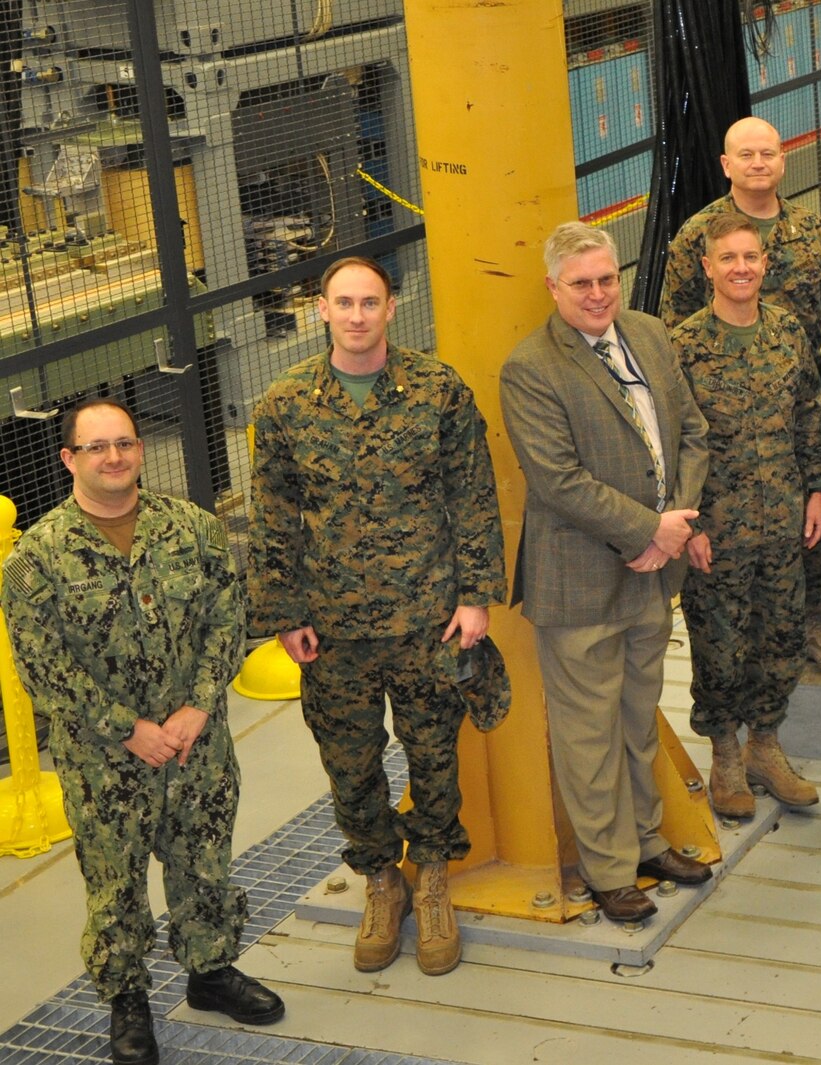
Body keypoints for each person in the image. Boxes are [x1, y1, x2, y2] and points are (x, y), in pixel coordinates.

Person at [6, 398, 284, 1065]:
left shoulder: (190, 527)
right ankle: (127, 996)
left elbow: (227, 614)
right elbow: (43, 667)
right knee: (115, 879)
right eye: (97, 447)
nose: (114, 457)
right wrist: (127, 729)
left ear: (138, 449)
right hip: (105, 759)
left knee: (204, 863)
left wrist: (196, 706)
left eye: (124, 443)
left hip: (197, 743)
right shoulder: (36, 557)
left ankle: (210, 969)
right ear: (69, 458)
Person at [250, 256, 506, 976]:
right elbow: (274, 517)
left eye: (371, 301)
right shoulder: (287, 402)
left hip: (429, 618)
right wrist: (283, 611)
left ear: (392, 307)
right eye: (344, 303)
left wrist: (476, 596)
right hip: (332, 631)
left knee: (434, 755)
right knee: (350, 766)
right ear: (322, 311)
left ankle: (430, 879)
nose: (358, 314)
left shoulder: (437, 392)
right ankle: (381, 881)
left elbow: (472, 495)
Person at [499, 222, 715, 925]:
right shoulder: (532, 367)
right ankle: (609, 869)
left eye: (607, 279)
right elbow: (559, 481)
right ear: (553, 287)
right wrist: (649, 529)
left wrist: (674, 521)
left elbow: (691, 433)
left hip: (651, 572)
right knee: (588, 732)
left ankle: (648, 841)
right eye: (582, 283)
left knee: (636, 718)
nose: (598, 295)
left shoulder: (649, 334)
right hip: (581, 583)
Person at [660, 116, 821, 676]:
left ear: (783, 159)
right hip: (721, 418)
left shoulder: (816, 234)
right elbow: (673, 339)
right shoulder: (697, 237)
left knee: (814, 518)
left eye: (768, 152)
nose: (757, 163)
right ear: (726, 165)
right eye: (745, 154)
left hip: (798, 406)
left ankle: (813, 617)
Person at [669, 212, 821, 819]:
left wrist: (817, 490)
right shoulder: (682, 345)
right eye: (729, 259)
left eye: (751, 257)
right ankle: (726, 756)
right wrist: (690, 524)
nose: (741, 268)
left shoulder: (788, 332)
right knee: (720, 645)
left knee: (782, 635)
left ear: (765, 264)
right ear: (707, 267)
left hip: (784, 521)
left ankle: (766, 745)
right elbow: (668, 443)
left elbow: (809, 416)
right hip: (717, 531)